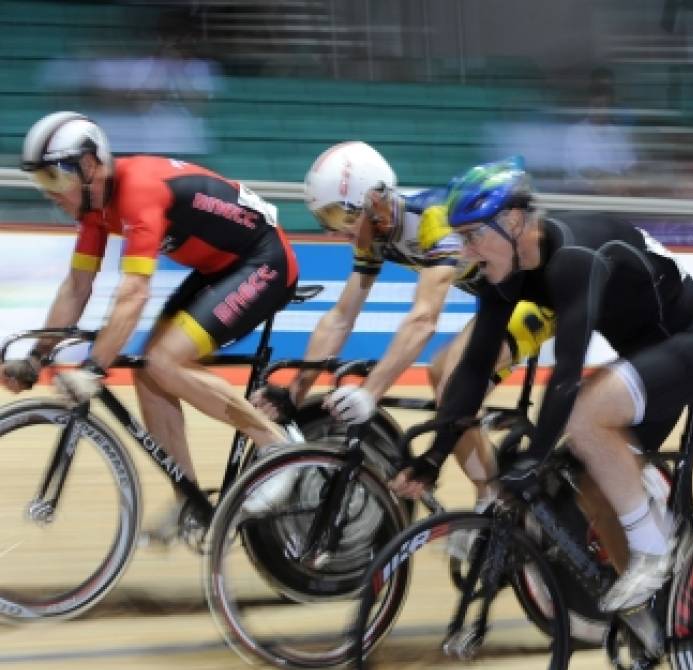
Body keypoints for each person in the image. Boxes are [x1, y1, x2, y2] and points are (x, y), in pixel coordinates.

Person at [391, 157, 693, 612]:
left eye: (473, 235)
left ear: (513, 221)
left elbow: (568, 377)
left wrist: (531, 462)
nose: (467, 252)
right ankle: (656, 622)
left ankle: (657, 550)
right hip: (647, 356)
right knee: (590, 487)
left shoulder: (574, 258)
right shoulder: (506, 275)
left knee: (584, 414)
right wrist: (435, 456)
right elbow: (472, 372)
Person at [2, 111, 296, 539]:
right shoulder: (94, 211)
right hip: (220, 270)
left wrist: (94, 368)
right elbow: (77, 287)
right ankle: (191, 502)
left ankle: (276, 447)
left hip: (264, 262)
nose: (50, 193)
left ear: (88, 166)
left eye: (54, 178)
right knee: (148, 372)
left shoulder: (139, 190)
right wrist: (36, 356)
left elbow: (134, 292)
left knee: (165, 361)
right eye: (41, 182)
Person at [251, 141, 556, 520]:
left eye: (339, 215)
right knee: (440, 375)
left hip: (539, 295)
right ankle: (492, 496)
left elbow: (423, 320)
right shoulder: (373, 237)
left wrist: (370, 393)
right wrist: (296, 392)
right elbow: (341, 317)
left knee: (450, 381)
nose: (335, 230)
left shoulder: (432, 219)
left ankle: (495, 505)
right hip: (500, 298)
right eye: (324, 218)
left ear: (375, 201)